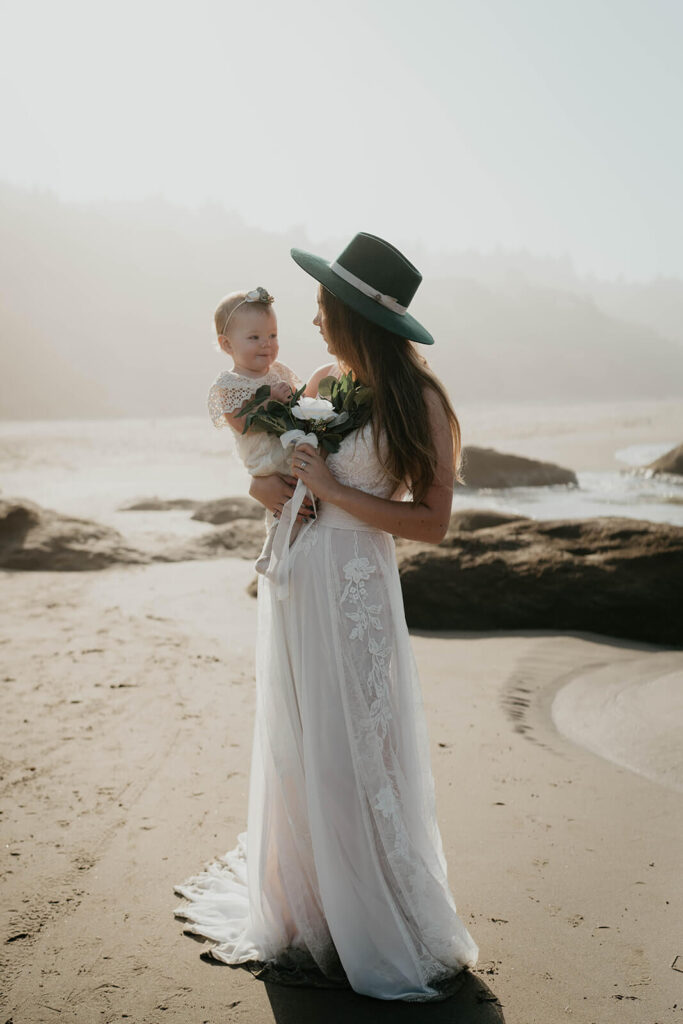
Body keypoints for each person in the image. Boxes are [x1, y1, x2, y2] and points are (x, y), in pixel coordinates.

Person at [174, 233, 479, 1002]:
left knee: (359, 748)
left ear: (354, 317)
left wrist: (335, 493)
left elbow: (431, 523)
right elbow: (281, 469)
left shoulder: (425, 403)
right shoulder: (318, 381)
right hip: (297, 582)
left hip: (357, 585)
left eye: (322, 309)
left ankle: (372, 911)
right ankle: (311, 907)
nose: (311, 324)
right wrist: (264, 492)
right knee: (304, 741)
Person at [206, 286, 315, 562]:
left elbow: (300, 403)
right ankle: (274, 557)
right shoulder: (230, 384)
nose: (267, 344)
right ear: (227, 344)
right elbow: (243, 424)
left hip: (288, 453)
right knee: (284, 511)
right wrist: (270, 401)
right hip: (265, 462)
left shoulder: (279, 372)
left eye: (272, 335)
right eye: (254, 337)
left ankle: (294, 555)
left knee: (305, 507)